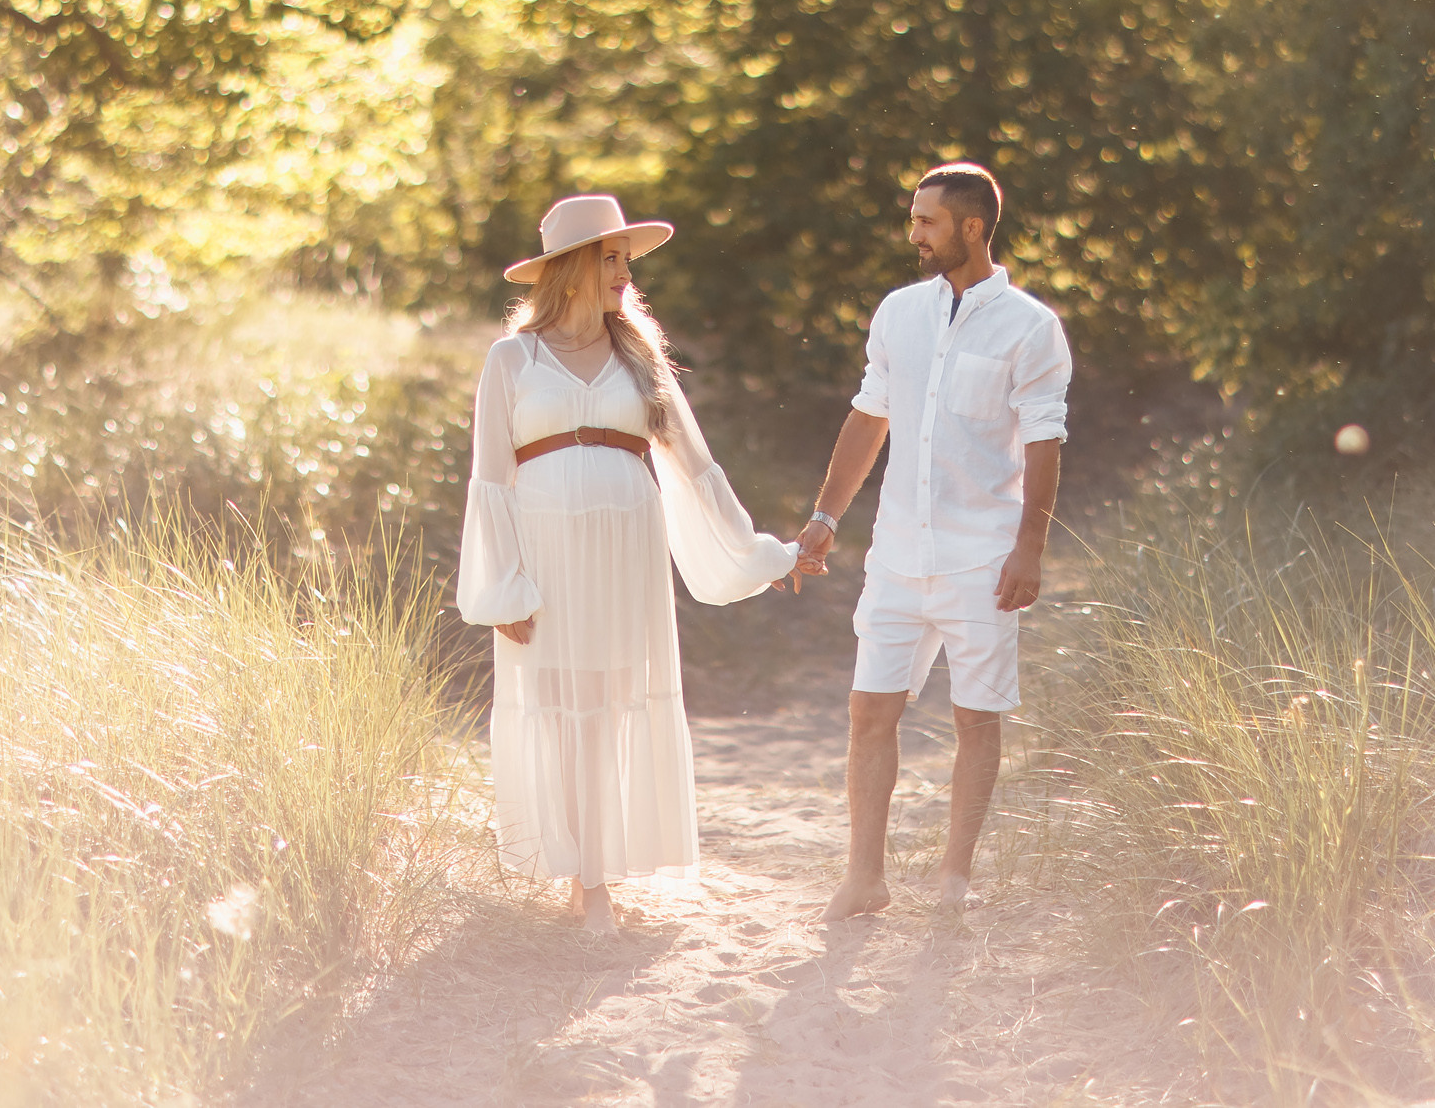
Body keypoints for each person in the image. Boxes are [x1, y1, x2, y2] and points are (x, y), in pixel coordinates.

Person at [455, 194, 801, 935]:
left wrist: (759, 554)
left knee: (608, 708)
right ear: (572, 267)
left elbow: (696, 468)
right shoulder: (511, 359)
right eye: (610, 258)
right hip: (546, 557)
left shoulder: (638, 356)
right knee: (562, 709)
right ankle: (584, 873)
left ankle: (596, 874)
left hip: (625, 553)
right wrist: (502, 586)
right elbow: (490, 480)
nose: (624, 273)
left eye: (625, 260)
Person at [793, 162, 1071, 918]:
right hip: (896, 556)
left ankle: (953, 878)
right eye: (913, 218)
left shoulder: (1031, 327)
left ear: (972, 228)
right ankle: (864, 877)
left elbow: (1045, 443)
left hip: (982, 558)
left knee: (975, 719)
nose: (912, 232)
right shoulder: (898, 312)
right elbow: (868, 416)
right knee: (867, 712)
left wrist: (1029, 548)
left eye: (926, 221)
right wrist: (824, 515)